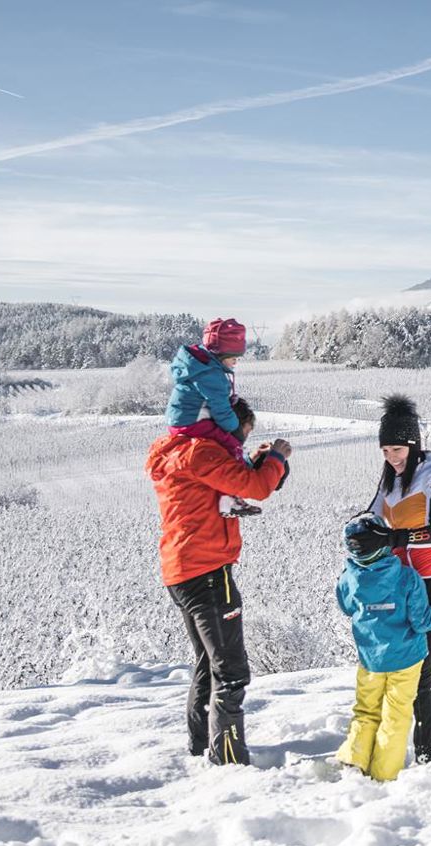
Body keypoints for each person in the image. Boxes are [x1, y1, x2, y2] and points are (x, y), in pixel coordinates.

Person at [146, 398, 291, 766]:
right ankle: (228, 759)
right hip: (208, 571)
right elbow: (257, 487)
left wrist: (253, 460)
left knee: (206, 664)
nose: (239, 445)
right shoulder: (203, 453)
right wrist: (276, 458)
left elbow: (224, 481)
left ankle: (200, 749)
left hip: (181, 570)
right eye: (241, 437)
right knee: (230, 670)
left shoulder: (179, 451)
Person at [334, 515, 431, 782]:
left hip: (370, 659)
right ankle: (383, 773)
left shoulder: (348, 579)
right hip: (406, 660)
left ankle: (354, 760)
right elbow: (422, 621)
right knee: (396, 715)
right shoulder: (406, 578)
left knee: (366, 710)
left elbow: (346, 607)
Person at [369, 395, 431, 761]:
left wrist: (393, 538)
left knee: (420, 669)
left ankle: (429, 754)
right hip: (403, 582)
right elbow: (373, 516)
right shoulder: (391, 478)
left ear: (413, 444)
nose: (392, 457)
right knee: (429, 666)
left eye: (397, 449)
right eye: (385, 450)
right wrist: (359, 531)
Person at [166, 317, 258, 517]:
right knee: (230, 445)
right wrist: (234, 428)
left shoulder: (199, 365)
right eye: (233, 357)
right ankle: (229, 497)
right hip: (192, 423)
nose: (235, 362)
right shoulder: (212, 376)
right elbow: (221, 411)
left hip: (181, 421)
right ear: (222, 354)